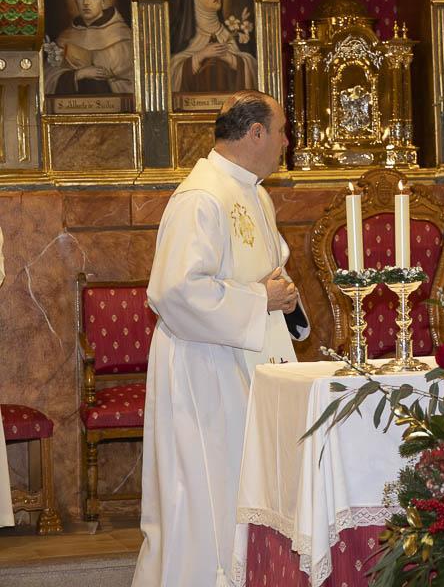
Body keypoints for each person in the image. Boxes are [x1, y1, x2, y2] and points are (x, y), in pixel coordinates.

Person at [133, 90, 309, 587]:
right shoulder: (201, 196)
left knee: (245, 488)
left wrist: (286, 300)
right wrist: (260, 300)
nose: (285, 143)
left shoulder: (254, 192)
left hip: (244, 364)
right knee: (206, 495)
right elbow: (174, 290)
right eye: (281, 132)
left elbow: (268, 272)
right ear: (255, 134)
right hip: (202, 370)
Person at [169, 0, 257, 94]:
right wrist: (200, 56)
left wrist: (231, 59)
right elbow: (171, 70)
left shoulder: (235, 32)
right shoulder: (181, 35)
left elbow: (254, 66)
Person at [45, 0, 135, 95]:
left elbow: (131, 79)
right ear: (75, 0)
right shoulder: (65, 37)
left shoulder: (122, 35)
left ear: (103, 0)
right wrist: (79, 74)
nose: (86, 2)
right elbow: (48, 77)